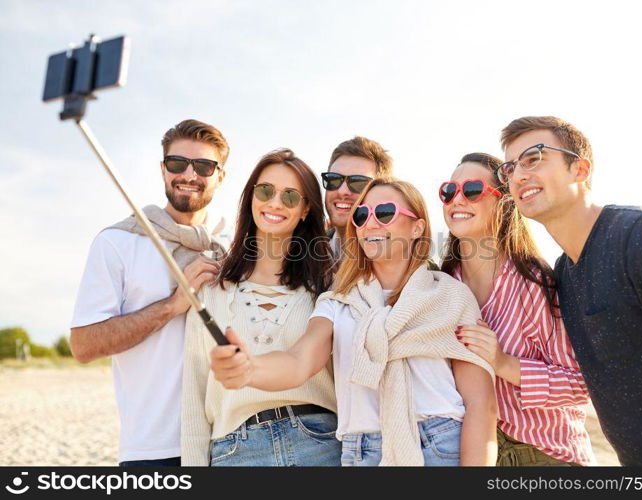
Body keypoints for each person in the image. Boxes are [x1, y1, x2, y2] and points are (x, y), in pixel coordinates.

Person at [210, 177, 498, 466]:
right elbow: (299, 361)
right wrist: (250, 368)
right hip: (364, 453)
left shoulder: (450, 296)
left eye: (384, 213)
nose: (370, 224)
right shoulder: (338, 303)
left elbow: (480, 405)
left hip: (441, 446)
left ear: (417, 227)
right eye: (362, 215)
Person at [499, 116, 642, 466]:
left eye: (533, 158)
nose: (518, 175)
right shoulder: (563, 273)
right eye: (510, 168)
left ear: (580, 169)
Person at [70, 119, 230, 466]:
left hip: (229, 443)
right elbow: (83, 345)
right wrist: (174, 305)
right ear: (162, 169)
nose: (189, 174)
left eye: (203, 166)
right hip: (155, 449)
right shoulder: (119, 241)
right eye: (177, 163)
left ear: (220, 176)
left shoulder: (232, 248)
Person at [181, 149, 340, 466]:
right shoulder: (212, 290)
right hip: (236, 451)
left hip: (319, 445)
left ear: (306, 208)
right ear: (251, 197)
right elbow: (193, 400)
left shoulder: (328, 288)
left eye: (291, 196)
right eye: (266, 190)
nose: (276, 203)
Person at [441, 152, 595, 466]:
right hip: (468, 450)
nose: (457, 200)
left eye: (471, 190)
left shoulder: (534, 283)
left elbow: (580, 385)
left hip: (544, 453)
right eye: (448, 191)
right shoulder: (441, 285)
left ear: (504, 202)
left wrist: (503, 363)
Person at [322, 136, 393, 261]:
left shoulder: (404, 265)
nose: (342, 191)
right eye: (334, 179)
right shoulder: (301, 259)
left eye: (358, 183)